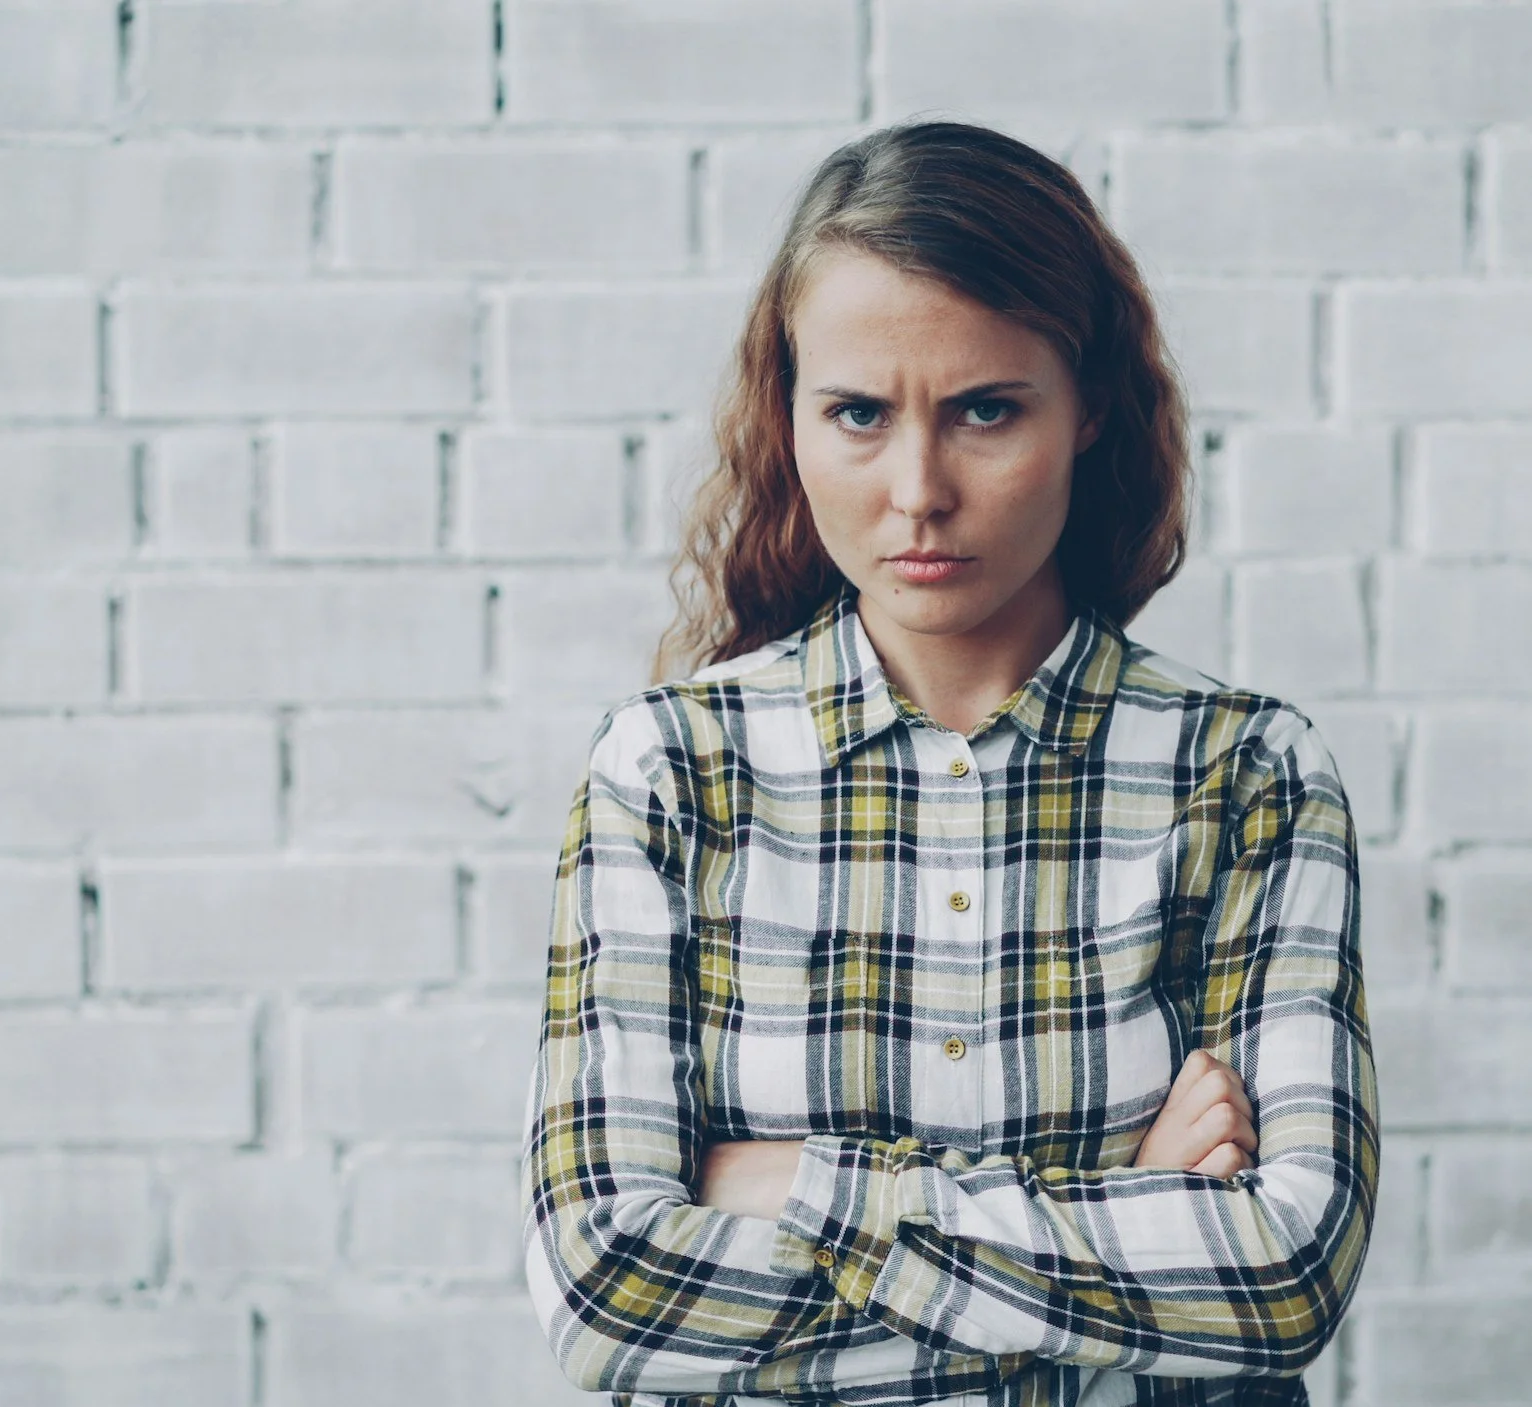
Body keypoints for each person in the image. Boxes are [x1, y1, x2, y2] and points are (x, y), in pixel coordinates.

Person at [520, 119, 1377, 1407]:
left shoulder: (1246, 774)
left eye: (986, 411)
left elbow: (1281, 1283)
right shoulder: (672, 771)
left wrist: (790, 1186)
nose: (919, 489)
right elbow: (609, 1300)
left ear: (1087, 410)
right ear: (789, 418)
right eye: (858, 413)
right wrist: (1126, 1213)